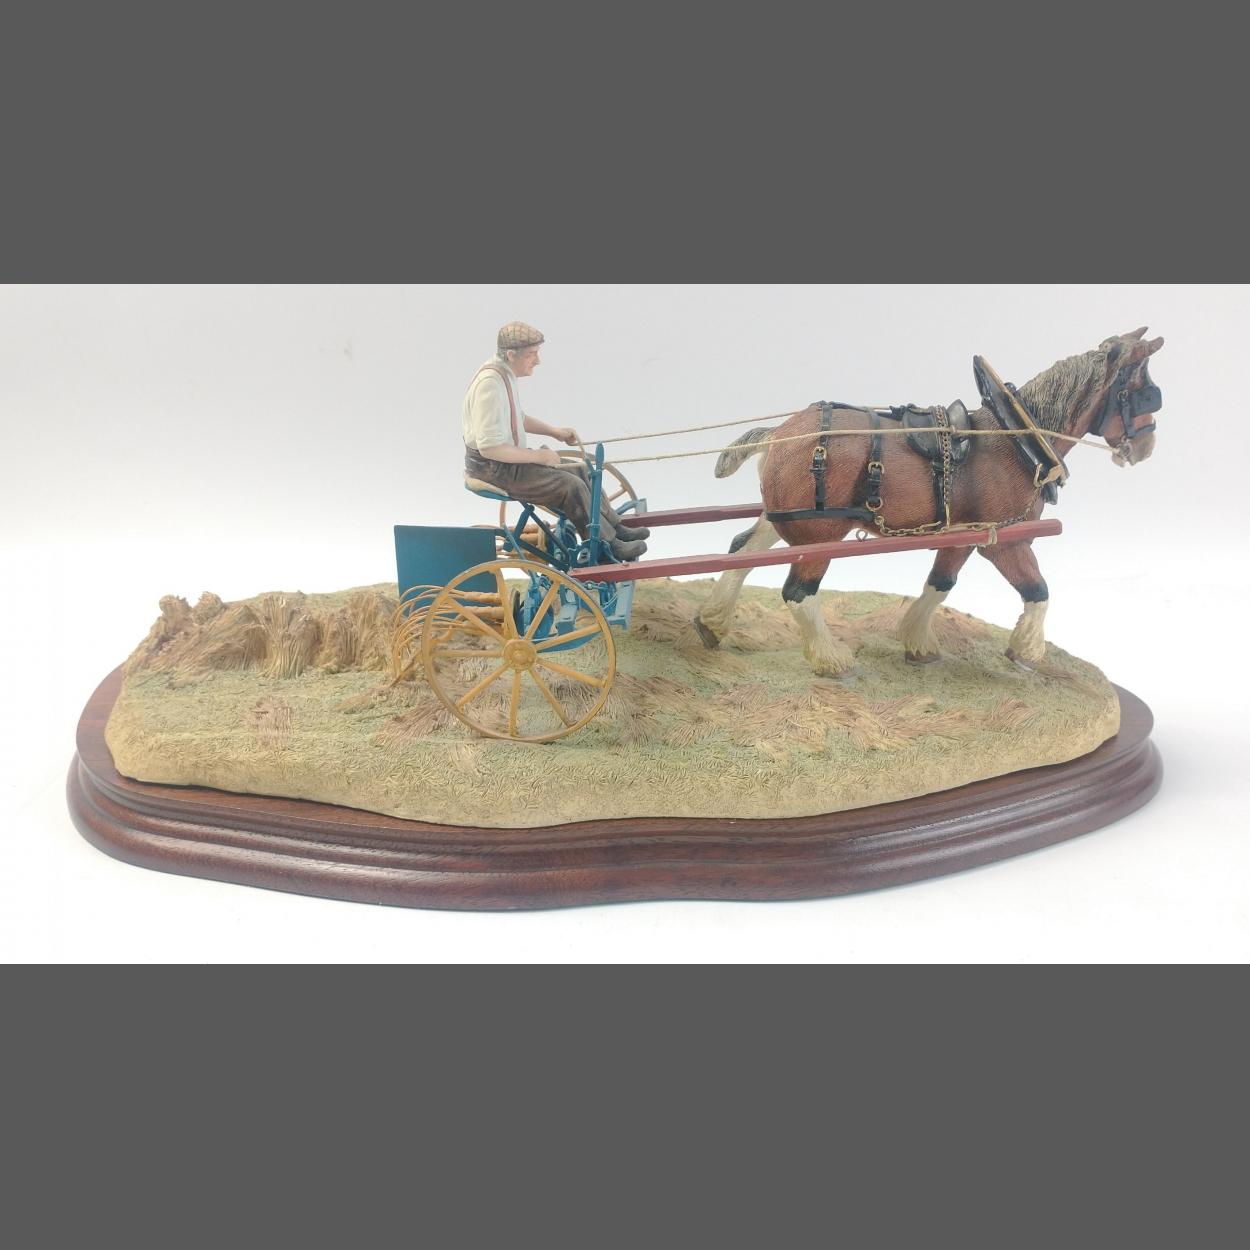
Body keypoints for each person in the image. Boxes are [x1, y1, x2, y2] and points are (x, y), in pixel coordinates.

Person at [461, 323, 649, 561]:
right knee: (571, 486)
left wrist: (554, 432)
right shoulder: (490, 385)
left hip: (506, 462)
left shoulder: (504, 374)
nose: (537, 360)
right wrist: (537, 457)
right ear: (511, 355)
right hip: (493, 470)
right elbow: (489, 448)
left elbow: (517, 418)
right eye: (532, 354)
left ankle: (614, 528)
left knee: (581, 470)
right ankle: (606, 546)